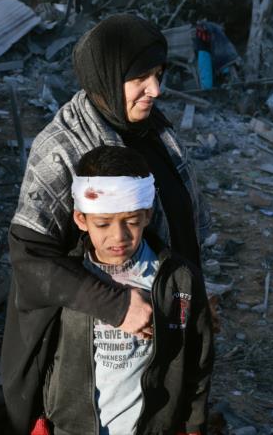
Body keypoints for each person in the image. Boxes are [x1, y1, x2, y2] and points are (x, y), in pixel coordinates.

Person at [1, 14, 212, 434]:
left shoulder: (153, 130)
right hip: (85, 365)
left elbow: (180, 219)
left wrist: (196, 296)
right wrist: (115, 305)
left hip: (160, 332)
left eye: (158, 74)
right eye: (141, 78)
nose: (156, 89)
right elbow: (30, 261)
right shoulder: (62, 148)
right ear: (106, 76)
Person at [36, 145, 213, 435]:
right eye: (103, 224)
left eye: (131, 221)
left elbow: (198, 356)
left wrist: (194, 424)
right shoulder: (66, 278)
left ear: (147, 214)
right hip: (73, 427)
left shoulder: (177, 280)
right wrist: (42, 416)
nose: (118, 237)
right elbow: (41, 351)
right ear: (81, 219)